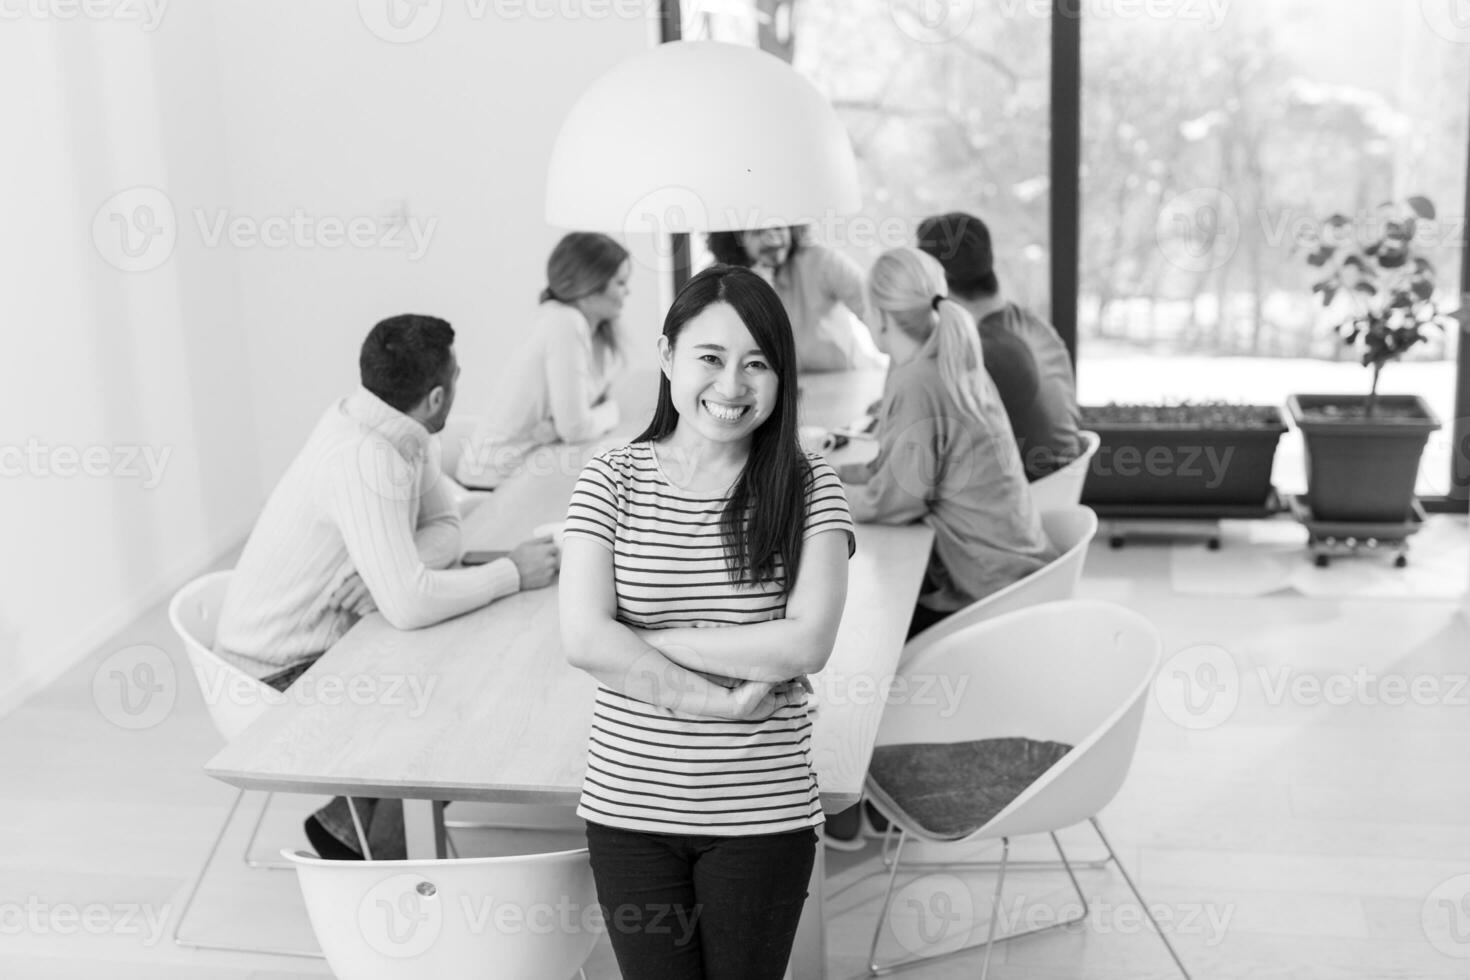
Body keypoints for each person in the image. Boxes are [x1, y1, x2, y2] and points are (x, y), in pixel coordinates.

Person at [559, 264, 854, 978]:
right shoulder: (610, 478)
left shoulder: (810, 487)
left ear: (783, 379)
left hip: (762, 811)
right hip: (630, 808)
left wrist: (642, 644)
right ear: (667, 358)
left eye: (758, 364)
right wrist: (719, 702)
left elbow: (806, 643)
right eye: (711, 358)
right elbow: (582, 639)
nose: (731, 387)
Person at [216, 313, 560, 860]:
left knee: (459, 665)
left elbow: (446, 527)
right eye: (459, 375)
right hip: (271, 674)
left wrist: (391, 570)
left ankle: (347, 831)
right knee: (451, 708)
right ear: (437, 396)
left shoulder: (398, 429)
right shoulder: (363, 456)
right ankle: (391, 881)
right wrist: (512, 573)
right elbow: (410, 604)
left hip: (330, 641)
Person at [839, 247, 1056, 640]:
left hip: (988, 592)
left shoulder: (918, 380)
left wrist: (815, 496)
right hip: (1017, 570)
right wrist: (829, 475)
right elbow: (894, 470)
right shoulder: (951, 361)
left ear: (883, 318)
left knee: (861, 625)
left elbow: (894, 503)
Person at [455, 232, 630, 489]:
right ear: (590, 287)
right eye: (621, 282)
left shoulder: (572, 324)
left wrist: (559, 427)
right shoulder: (565, 323)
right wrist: (612, 411)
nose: (628, 291)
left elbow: (568, 425)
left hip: (514, 471)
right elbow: (575, 428)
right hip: (491, 481)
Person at [917, 211, 1081, 481]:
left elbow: (931, 448)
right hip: (1056, 487)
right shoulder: (1032, 325)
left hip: (1024, 497)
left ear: (934, 284)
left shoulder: (980, 350)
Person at [707, 225, 886, 373]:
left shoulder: (821, 261)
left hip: (846, 378)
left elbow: (876, 308)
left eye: (778, 228)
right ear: (734, 240)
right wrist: (755, 293)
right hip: (785, 396)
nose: (773, 240)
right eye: (758, 232)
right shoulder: (723, 283)